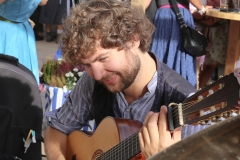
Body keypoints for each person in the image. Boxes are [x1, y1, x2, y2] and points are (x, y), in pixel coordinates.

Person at [44, 0, 203, 159]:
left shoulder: (184, 103)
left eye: (103, 58)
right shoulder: (93, 80)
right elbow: (58, 128)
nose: (98, 75)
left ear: (134, 39)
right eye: (87, 65)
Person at [149, 0, 211, 87]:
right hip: (180, 15)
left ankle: (159, 90)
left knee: (161, 56)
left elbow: (144, 4)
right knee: (181, 56)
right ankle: (181, 92)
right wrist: (202, 9)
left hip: (161, 17)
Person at [0, 0, 48, 85]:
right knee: (23, 68)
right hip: (24, 31)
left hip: (6, 31)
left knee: (7, 68)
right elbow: (43, 2)